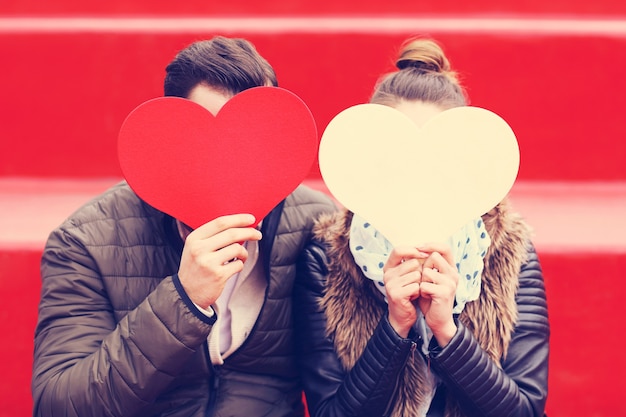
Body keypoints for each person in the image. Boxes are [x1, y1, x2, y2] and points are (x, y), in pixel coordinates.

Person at [32, 36, 337, 417]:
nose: (234, 165)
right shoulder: (87, 241)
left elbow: (345, 395)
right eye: (210, 143)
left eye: (255, 139)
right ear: (174, 141)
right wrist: (183, 297)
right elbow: (58, 405)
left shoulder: (318, 227)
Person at [294, 38, 549, 417]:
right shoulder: (328, 256)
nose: (416, 171)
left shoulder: (507, 250)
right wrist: (395, 325)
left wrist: (447, 329)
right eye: (398, 154)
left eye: (435, 155)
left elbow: (526, 410)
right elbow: (330, 412)